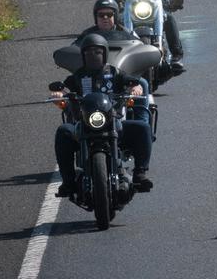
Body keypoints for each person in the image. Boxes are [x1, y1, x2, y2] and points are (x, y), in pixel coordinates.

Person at [51, 33, 154, 195]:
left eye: (97, 52)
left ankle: (140, 173)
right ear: (83, 56)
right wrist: (59, 93)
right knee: (63, 132)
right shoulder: (78, 76)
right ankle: (68, 182)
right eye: (89, 52)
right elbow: (65, 88)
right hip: (84, 124)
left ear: (105, 53)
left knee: (142, 128)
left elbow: (130, 81)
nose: (93, 55)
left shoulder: (115, 73)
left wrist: (135, 87)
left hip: (114, 122)